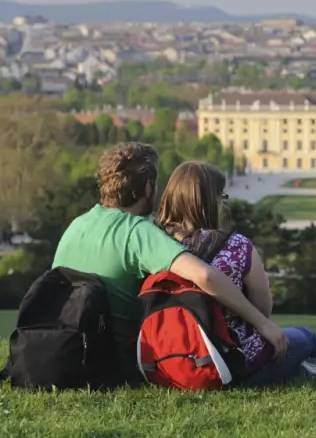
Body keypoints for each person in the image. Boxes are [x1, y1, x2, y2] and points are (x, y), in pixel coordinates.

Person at [52, 143, 288, 384]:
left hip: (71, 355)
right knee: (302, 339)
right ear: (147, 187)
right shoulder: (138, 231)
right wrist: (262, 323)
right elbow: (205, 276)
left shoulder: (77, 225)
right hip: (123, 364)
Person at [156, 161, 316, 385]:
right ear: (212, 201)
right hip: (232, 362)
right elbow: (263, 308)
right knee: (303, 335)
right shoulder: (237, 246)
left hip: (170, 361)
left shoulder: (153, 244)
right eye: (222, 197)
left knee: (295, 338)